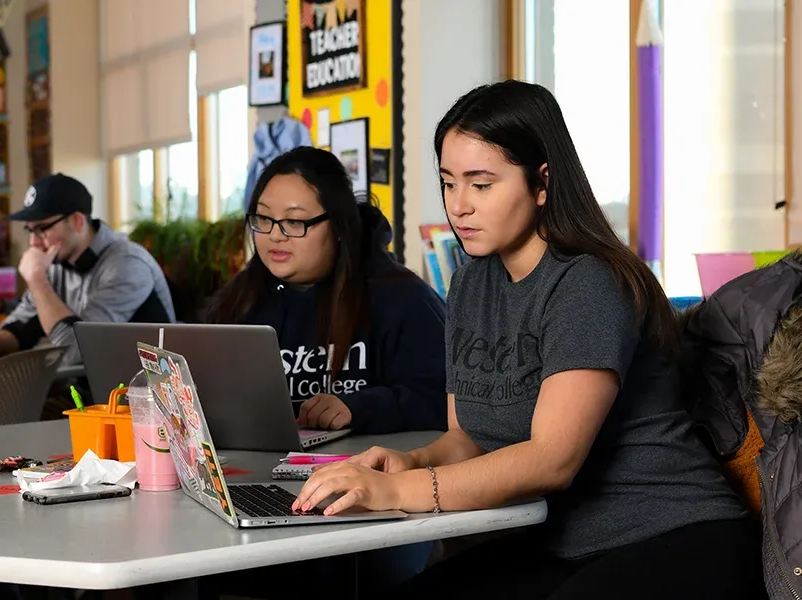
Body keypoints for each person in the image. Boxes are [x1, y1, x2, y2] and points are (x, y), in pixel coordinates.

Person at [292, 81, 763, 599]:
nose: (459, 205)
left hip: (674, 535)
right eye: (449, 182)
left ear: (541, 182)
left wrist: (395, 492)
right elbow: (468, 437)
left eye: (482, 184)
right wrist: (413, 462)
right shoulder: (471, 280)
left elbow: (550, 461)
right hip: (562, 546)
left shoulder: (588, 281)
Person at [206, 146, 447, 435]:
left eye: (294, 221)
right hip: (259, 470)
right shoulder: (241, 300)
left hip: (368, 470)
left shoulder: (401, 299)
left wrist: (357, 408)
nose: (274, 235)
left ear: (338, 226)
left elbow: (443, 401)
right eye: (264, 219)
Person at [0, 173, 176, 366]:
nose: (34, 242)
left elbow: (76, 351)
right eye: (30, 230)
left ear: (77, 221)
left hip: (144, 391)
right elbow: (22, 326)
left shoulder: (127, 264)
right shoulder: (57, 264)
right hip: (95, 386)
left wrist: (37, 279)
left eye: (42, 229)